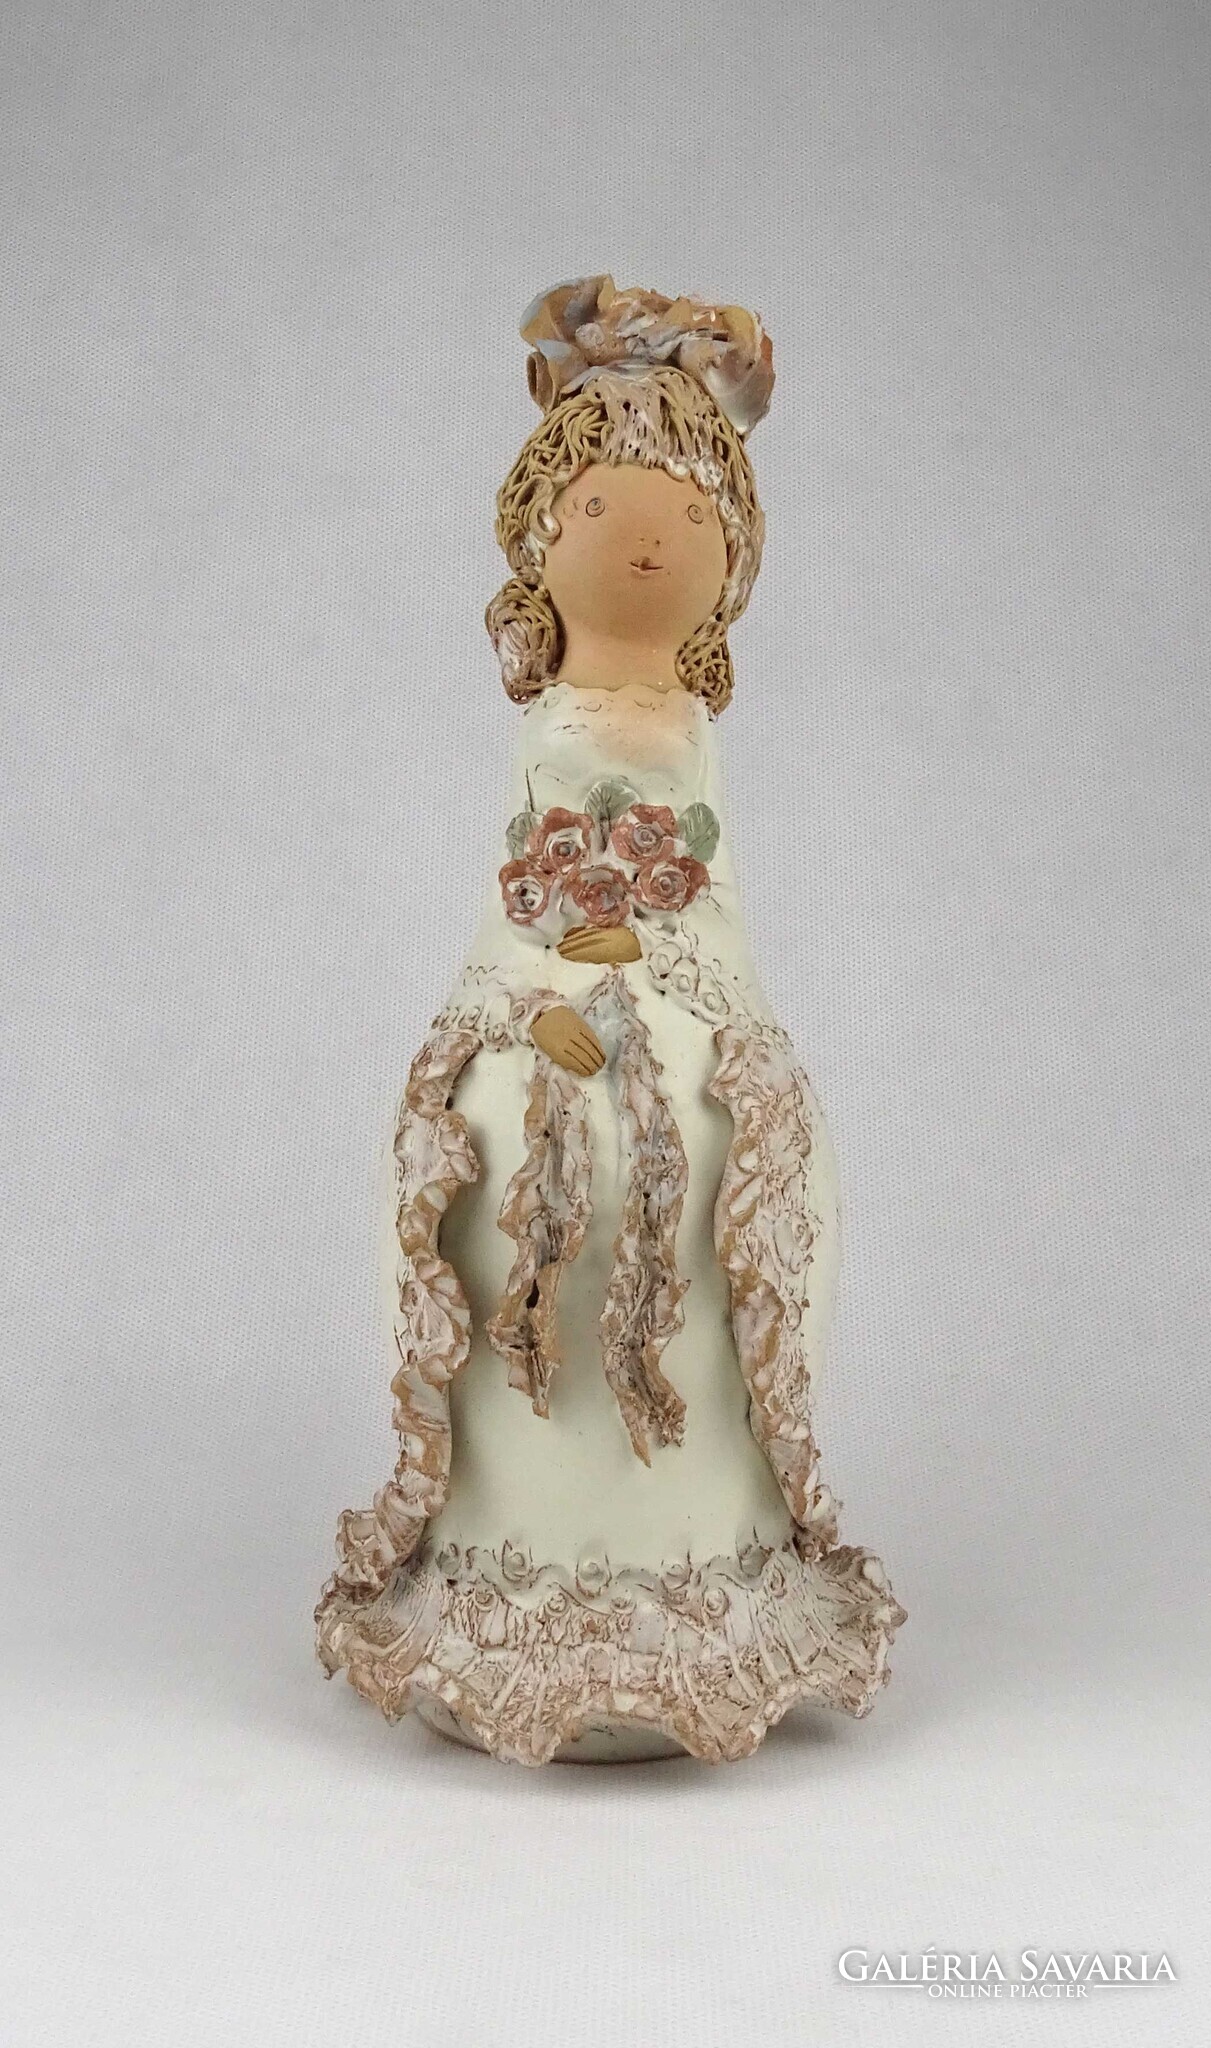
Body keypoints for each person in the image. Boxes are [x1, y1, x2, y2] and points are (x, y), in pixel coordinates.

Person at [316, 275, 905, 1764]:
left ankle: (691, 1577)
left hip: (688, 1017)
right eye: (603, 507)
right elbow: (528, 899)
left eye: (692, 515)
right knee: (519, 1178)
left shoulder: (689, 737)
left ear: (731, 558)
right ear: (541, 536)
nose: (650, 538)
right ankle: (520, 1585)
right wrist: (541, 1010)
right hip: (548, 1016)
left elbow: (703, 901)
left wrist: (661, 985)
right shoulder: (550, 735)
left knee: (715, 1168)